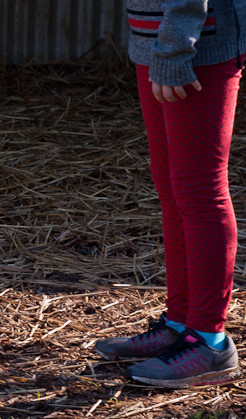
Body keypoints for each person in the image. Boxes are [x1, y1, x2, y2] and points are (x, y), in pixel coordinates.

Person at [96, 0, 246, 387]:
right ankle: (181, 324)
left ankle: (209, 341)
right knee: (172, 188)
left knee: (200, 191)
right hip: (156, 41)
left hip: (196, 44)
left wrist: (176, 48)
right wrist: (159, 47)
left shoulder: (183, 45)